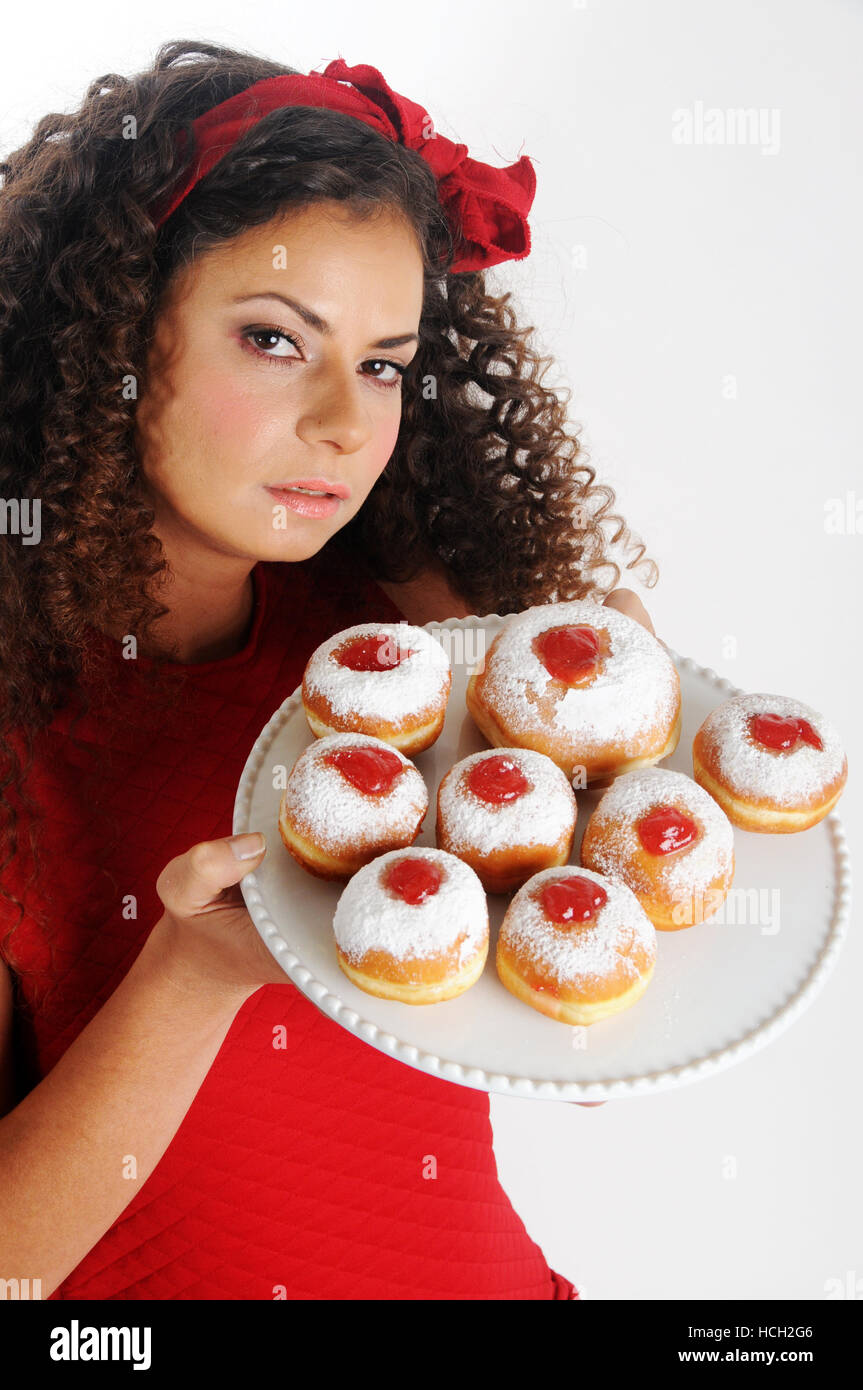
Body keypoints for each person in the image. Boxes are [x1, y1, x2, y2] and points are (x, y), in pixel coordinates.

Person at [0, 40, 657, 1300]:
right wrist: (190, 981)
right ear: (114, 336)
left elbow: (573, 1049)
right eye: (271, 338)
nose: (347, 425)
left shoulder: (398, 642)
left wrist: (598, 764)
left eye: (381, 364)